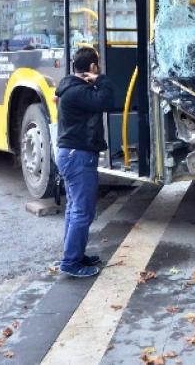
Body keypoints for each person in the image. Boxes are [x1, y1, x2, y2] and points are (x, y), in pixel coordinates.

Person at [54, 47, 115, 278]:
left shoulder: (71, 86)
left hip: (72, 155)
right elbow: (107, 100)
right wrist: (101, 80)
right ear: (92, 67)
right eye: (97, 66)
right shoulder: (78, 91)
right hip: (77, 156)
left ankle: (75, 255)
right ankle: (71, 262)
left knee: (74, 209)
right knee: (82, 211)